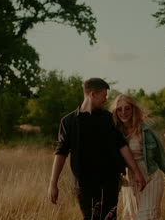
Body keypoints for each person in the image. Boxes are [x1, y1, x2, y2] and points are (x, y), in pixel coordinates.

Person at [47, 78, 146, 220]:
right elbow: (61, 153)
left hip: (110, 182)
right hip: (84, 184)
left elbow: (121, 145)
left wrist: (136, 172)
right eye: (104, 95)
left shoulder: (107, 118)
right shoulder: (69, 122)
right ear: (92, 94)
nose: (106, 99)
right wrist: (53, 184)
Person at [110, 94, 165, 220]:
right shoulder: (114, 133)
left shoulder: (145, 131)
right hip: (129, 181)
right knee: (133, 217)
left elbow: (161, 158)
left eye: (127, 108)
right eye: (119, 109)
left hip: (151, 177)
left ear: (133, 109)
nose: (123, 112)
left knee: (146, 217)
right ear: (115, 112)